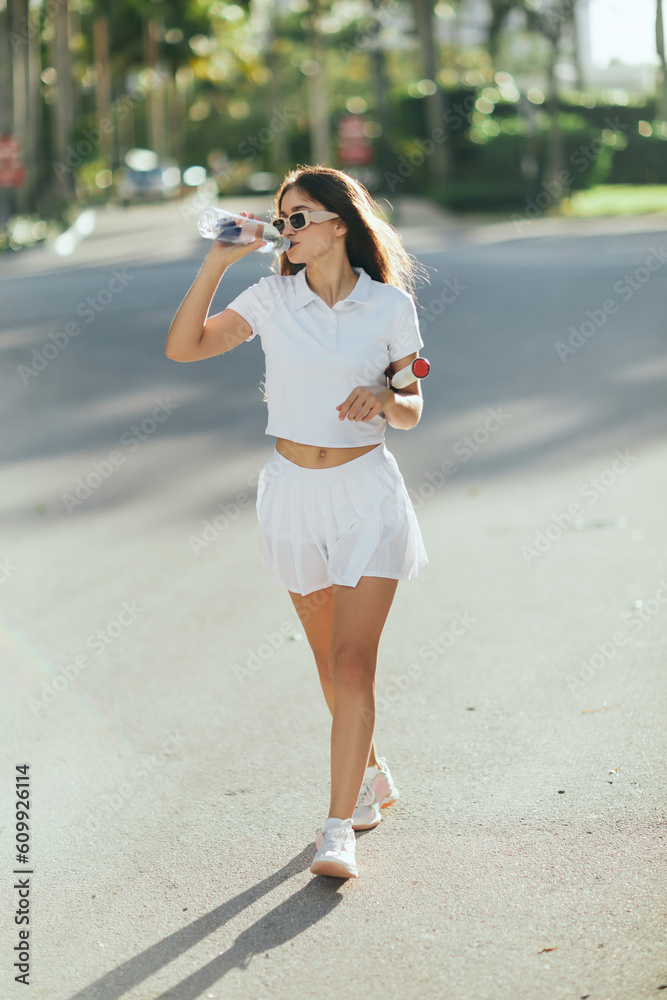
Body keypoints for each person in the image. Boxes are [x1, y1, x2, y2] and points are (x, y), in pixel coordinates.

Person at [166, 165, 428, 879]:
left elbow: (411, 409)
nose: (286, 228)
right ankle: (370, 775)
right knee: (324, 661)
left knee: (352, 662)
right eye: (282, 218)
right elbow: (185, 347)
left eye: (299, 216)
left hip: (366, 495)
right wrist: (217, 263)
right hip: (291, 496)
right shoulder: (270, 298)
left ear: (339, 225)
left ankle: (337, 826)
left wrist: (383, 397)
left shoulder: (389, 308)